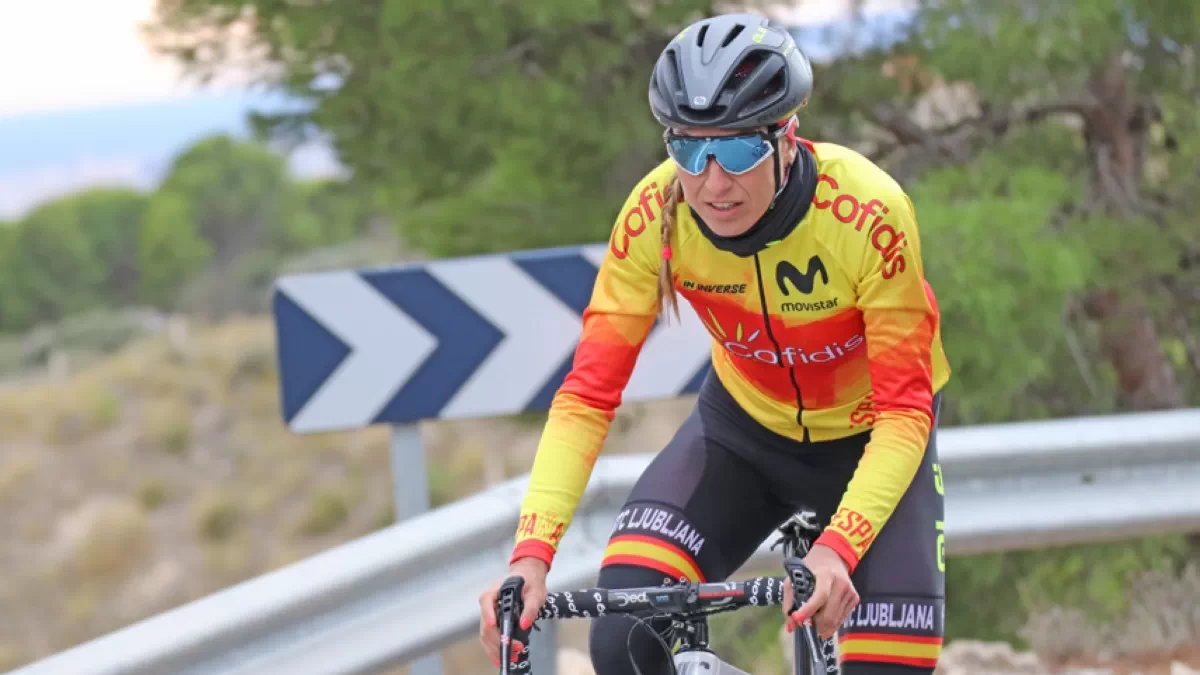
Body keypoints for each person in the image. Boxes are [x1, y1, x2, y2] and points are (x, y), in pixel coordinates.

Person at [478, 12, 951, 674]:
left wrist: (839, 547)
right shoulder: (654, 217)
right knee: (623, 638)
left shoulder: (867, 212)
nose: (711, 182)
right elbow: (587, 396)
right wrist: (531, 555)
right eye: (688, 151)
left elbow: (906, 411)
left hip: (872, 443)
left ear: (787, 138)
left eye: (735, 151)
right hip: (742, 438)